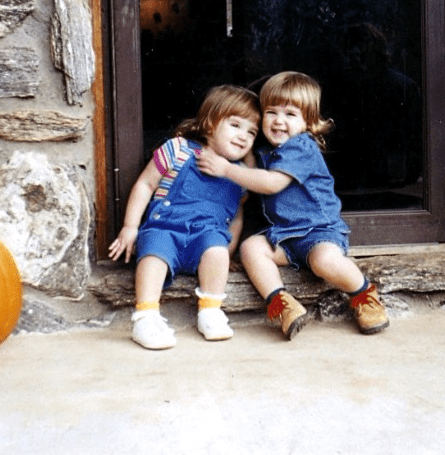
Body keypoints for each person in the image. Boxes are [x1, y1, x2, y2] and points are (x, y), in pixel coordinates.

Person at [196, 71, 389, 339]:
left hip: (318, 232)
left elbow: (271, 183)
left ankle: (364, 294)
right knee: (251, 248)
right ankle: (282, 303)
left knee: (325, 261)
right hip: (285, 236)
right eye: (271, 112)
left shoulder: (301, 148)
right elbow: (252, 169)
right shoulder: (268, 152)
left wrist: (226, 169)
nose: (279, 121)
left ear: (308, 122)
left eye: (290, 114)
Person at [108, 85, 260, 350]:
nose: (243, 136)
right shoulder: (178, 149)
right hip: (166, 228)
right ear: (211, 123)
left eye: (251, 131)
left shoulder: (239, 173)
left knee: (216, 251)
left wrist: (230, 249)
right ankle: (146, 315)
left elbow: (236, 216)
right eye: (235, 125)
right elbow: (145, 185)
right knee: (153, 255)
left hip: (207, 234)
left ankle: (210, 310)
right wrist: (130, 227)